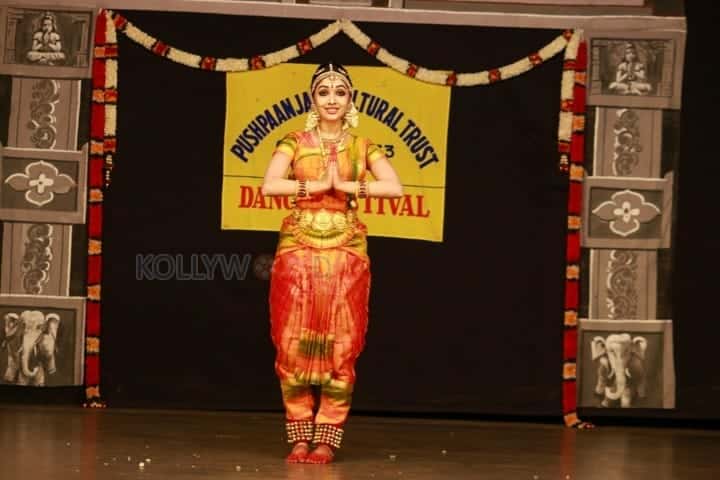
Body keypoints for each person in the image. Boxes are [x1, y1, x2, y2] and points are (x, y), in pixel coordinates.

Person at [261, 62, 402, 464]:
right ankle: (299, 435)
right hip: (298, 249)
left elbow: (394, 186)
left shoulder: (363, 146)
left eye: (340, 92)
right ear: (313, 99)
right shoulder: (294, 141)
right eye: (324, 92)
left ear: (351, 100)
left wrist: (348, 186)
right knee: (291, 344)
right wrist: (316, 185)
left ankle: (327, 437)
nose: (332, 100)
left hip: (345, 250)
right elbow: (270, 183)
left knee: (342, 343)